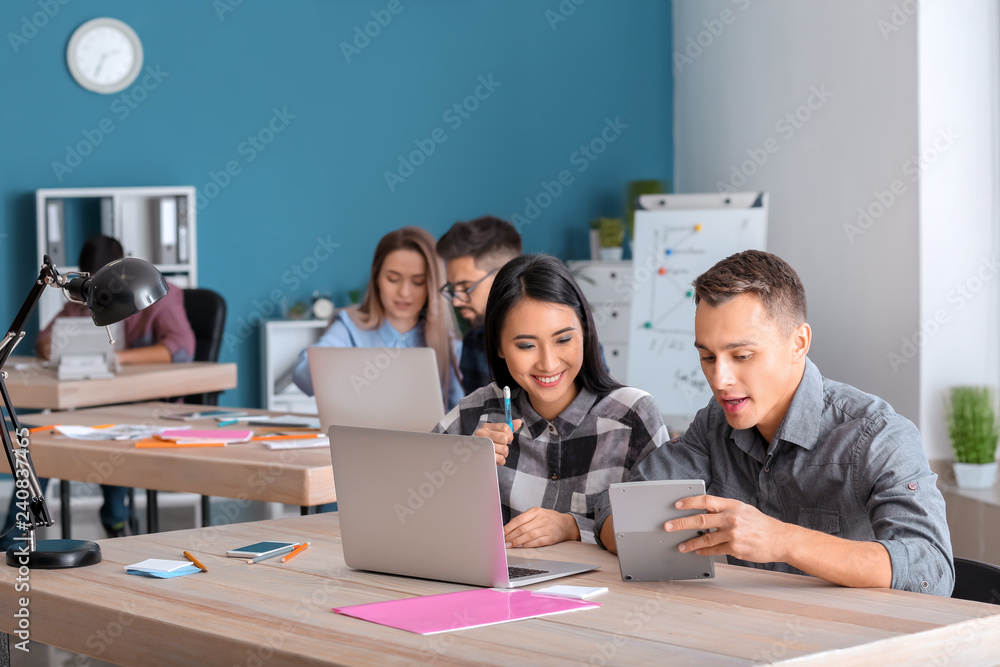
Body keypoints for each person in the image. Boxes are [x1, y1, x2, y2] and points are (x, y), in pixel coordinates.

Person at [594, 250, 954, 595]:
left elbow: (931, 573)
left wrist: (782, 540)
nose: (720, 379)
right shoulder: (713, 426)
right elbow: (616, 511)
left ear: (798, 343)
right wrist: (650, 533)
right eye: (707, 356)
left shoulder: (879, 435)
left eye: (742, 356)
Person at [434, 254, 668, 548]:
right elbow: (409, 510)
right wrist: (461, 472)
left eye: (563, 340)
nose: (547, 363)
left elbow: (662, 537)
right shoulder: (475, 414)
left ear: (584, 331)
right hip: (498, 591)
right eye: (527, 345)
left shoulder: (634, 416)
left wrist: (574, 527)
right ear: (499, 347)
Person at [3, 234, 195, 545]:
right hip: (86, 403)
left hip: (141, 404)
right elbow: (43, 340)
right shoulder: (88, 294)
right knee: (40, 439)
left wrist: (115, 357)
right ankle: (15, 532)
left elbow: (181, 348)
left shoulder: (156, 296)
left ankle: (115, 517)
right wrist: (57, 347)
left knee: (105, 434)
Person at [292, 226, 463, 411]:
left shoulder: (449, 344)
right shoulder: (350, 326)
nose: (404, 292)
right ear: (377, 278)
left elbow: (462, 414)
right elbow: (302, 373)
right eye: (393, 279)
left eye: (418, 282)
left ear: (432, 285)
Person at [436, 216, 522, 395]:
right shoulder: (473, 342)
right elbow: (475, 416)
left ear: (503, 276)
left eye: (466, 287)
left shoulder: (564, 339)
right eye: (453, 288)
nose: (456, 301)